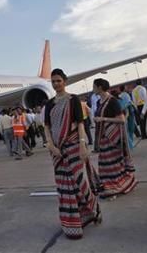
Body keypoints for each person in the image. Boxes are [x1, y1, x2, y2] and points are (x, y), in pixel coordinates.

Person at [44, 69, 101, 239]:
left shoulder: (73, 100)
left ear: (65, 81)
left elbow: (80, 124)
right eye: (53, 81)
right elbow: (46, 127)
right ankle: (72, 223)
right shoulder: (49, 104)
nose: (56, 84)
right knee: (64, 186)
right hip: (56, 151)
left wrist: (83, 145)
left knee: (80, 182)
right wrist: (51, 147)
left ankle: (93, 210)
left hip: (73, 145)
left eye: (58, 81)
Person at [93, 79, 137, 200]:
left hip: (112, 137)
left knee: (114, 163)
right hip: (103, 137)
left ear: (100, 87)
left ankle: (117, 184)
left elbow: (122, 119)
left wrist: (103, 119)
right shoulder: (98, 102)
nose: (93, 89)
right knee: (104, 163)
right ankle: (108, 184)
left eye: (94, 86)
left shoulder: (112, 101)